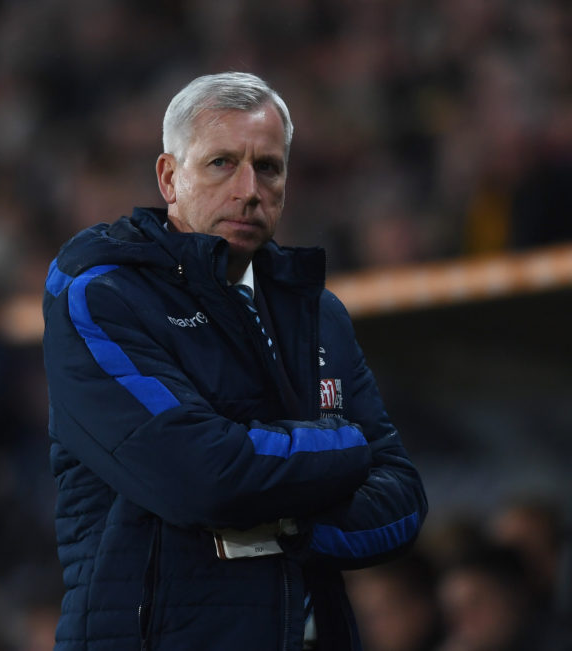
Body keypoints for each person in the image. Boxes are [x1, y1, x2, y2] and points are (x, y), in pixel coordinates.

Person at [41, 71, 428, 650]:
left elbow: (402, 500)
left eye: (268, 167)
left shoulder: (320, 314)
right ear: (170, 177)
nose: (249, 188)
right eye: (222, 163)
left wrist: (284, 523)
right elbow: (203, 475)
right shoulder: (101, 295)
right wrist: (342, 450)